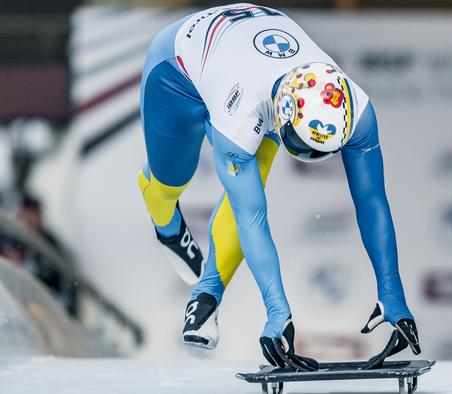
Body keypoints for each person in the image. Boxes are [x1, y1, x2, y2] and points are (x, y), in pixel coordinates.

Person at [137, 3, 420, 370]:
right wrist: (277, 313)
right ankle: (168, 228)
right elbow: (250, 217)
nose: (310, 159)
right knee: (170, 182)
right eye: (303, 149)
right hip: (175, 70)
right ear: (283, 116)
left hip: (250, 62)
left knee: (259, 171)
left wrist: (392, 292)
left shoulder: (358, 110)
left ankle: (205, 294)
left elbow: (372, 201)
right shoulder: (242, 116)